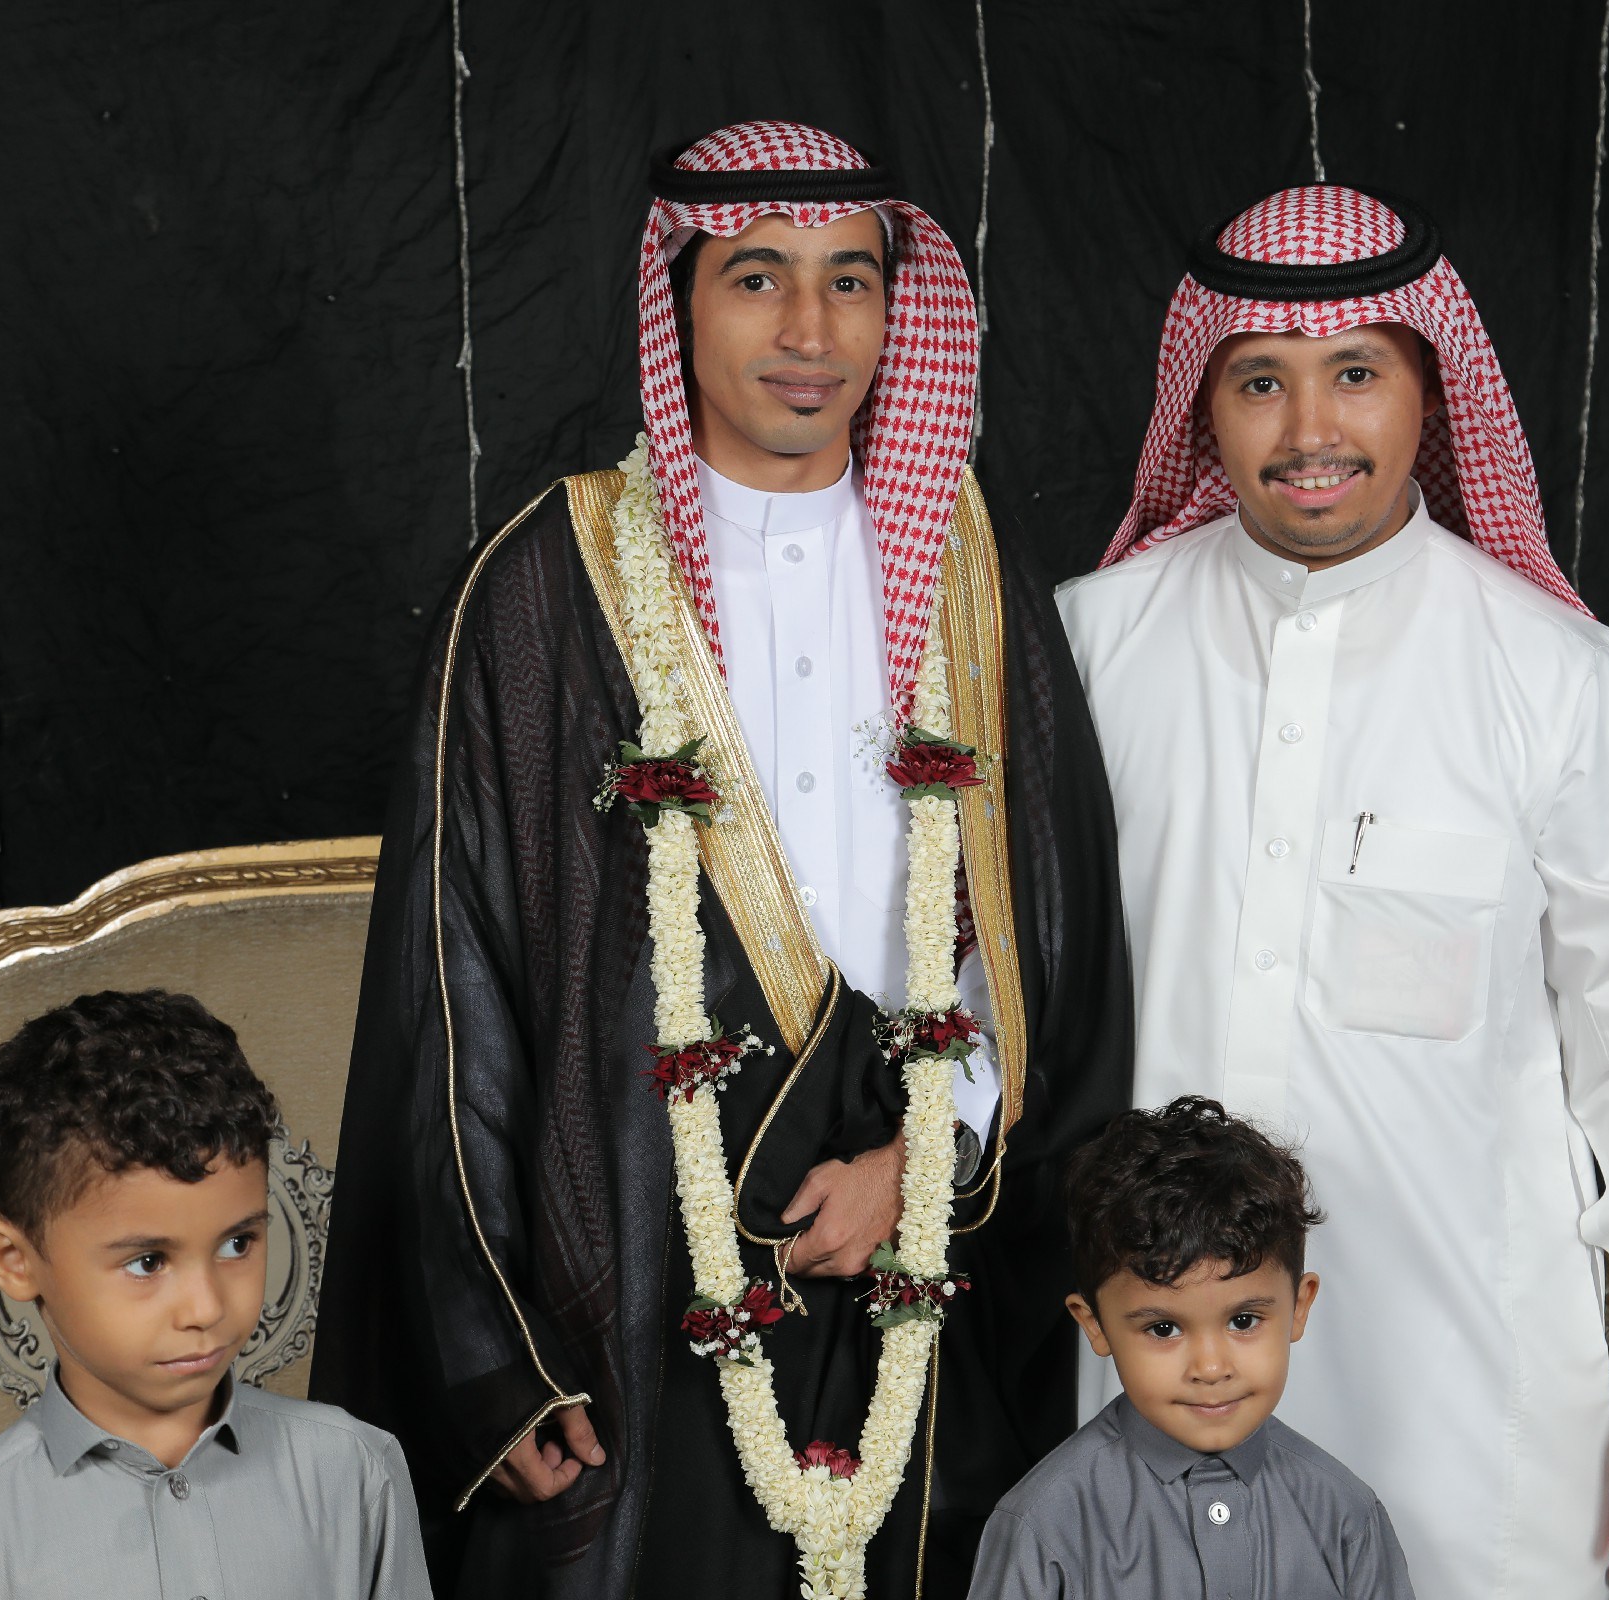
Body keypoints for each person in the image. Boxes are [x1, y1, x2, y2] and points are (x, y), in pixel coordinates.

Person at [314, 121, 1130, 1600]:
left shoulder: (971, 569)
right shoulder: (548, 586)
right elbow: (453, 992)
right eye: (758, 278)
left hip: (919, 1235)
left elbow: (1046, 936)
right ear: (677, 300)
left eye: (851, 280)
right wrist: (492, 1355)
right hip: (629, 1246)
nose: (811, 332)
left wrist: (927, 1158)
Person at [1054, 186, 1609, 1599]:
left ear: (1431, 388)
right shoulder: (1090, 647)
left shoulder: (1557, 675)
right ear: (1205, 408)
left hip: (1464, 1401)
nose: (1311, 429)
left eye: (1356, 373)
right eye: (1262, 382)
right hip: (1145, 1381)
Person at [0, 989, 429, 1600]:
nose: (206, 1308)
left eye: (237, 1244)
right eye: (148, 1262)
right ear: (15, 1261)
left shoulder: (357, 1473)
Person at [970, 1096, 1413, 1599]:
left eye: (1243, 1321)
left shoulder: (1347, 1515)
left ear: (1299, 1305)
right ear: (1095, 1325)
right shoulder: (1042, 1525)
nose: (1211, 1367)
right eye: (1163, 1329)